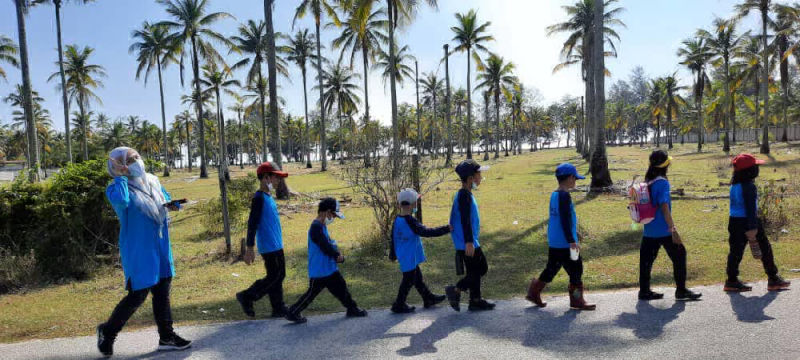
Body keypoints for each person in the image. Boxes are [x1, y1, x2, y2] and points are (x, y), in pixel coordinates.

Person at [98, 147, 191, 357]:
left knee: (162, 291)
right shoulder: (116, 188)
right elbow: (122, 202)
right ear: (118, 165)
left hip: (160, 245)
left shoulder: (152, 181)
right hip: (139, 249)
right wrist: (121, 177)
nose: (137, 161)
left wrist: (173, 205)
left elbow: (165, 199)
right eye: (131, 159)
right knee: (138, 294)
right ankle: (108, 331)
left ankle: (167, 337)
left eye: (137, 156)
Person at [285, 198, 367, 323]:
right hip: (320, 270)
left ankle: (352, 308)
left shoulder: (321, 225)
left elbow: (328, 243)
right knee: (311, 294)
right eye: (333, 215)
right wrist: (337, 256)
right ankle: (293, 312)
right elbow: (324, 246)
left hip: (329, 268)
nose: (334, 218)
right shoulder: (316, 227)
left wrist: (336, 253)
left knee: (341, 287)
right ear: (327, 212)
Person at [526, 163, 596, 310]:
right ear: (570, 178)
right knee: (576, 270)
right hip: (565, 242)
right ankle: (577, 300)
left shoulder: (555, 194)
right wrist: (571, 240)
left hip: (555, 240)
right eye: (575, 179)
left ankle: (534, 291)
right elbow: (564, 219)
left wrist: (574, 232)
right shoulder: (564, 196)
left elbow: (559, 218)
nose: (575, 182)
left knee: (551, 268)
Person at [638, 150, 702, 302]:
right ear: (665, 165)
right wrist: (673, 230)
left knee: (646, 262)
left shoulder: (648, 181)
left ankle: (644, 291)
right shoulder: (662, 182)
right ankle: (681, 290)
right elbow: (664, 207)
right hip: (664, 230)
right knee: (680, 255)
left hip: (649, 230)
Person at [724, 154, 791, 292]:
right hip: (748, 221)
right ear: (750, 171)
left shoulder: (734, 184)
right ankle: (773, 279)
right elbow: (750, 208)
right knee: (765, 249)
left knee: (735, 252)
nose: (757, 169)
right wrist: (753, 227)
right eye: (756, 167)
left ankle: (731, 281)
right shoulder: (749, 186)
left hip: (734, 221)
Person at [236, 162, 290, 318]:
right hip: (268, 245)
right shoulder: (258, 198)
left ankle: (278, 307)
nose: (278, 181)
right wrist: (249, 248)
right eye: (276, 177)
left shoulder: (268, 197)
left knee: (279, 275)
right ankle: (247, 296)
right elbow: (252, 223)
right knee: (275, 276)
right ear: (266, 178)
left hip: (276, 243)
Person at [444, 159, 495, 312]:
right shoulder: (464, 196)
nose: (481, 177)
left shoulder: (465, 194)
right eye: (479, 174)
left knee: (474, 271)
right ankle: (456, 290)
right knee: (481, 268)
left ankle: (475, 300)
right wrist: (469, 242)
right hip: (466, 241)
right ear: (471, 178)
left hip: (466, 239)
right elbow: (465, 220)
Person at [390, 188, 451, 314]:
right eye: (416, 202)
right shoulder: (410, 221)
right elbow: (426, 232)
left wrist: (392, 254)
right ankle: (399, 304)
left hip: (405, 255)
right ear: (413, 204)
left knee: (417, 278)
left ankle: (428, 298)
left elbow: (393, 237)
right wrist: (446, 229)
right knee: (408, 281)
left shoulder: (397, 219)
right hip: (409, 256)